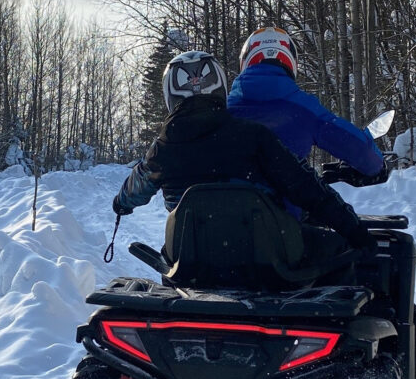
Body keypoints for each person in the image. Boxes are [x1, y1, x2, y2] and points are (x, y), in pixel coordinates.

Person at [111, 50, 373, 255]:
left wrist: (121, 204)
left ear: (170, 93)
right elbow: (307, 187)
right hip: (267, 258)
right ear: (220, 87)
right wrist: (353, 229)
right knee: (338, 250)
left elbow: (135, 189)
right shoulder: (253, 135)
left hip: (190, 261)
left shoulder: (162, 150)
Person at [227, 26, 385, 178]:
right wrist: (376, 164)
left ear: (246, 60)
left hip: (227, 203)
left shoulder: (223, 109)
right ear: (290, 61)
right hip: (286, 204)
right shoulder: (304, 109)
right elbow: (362, 152)